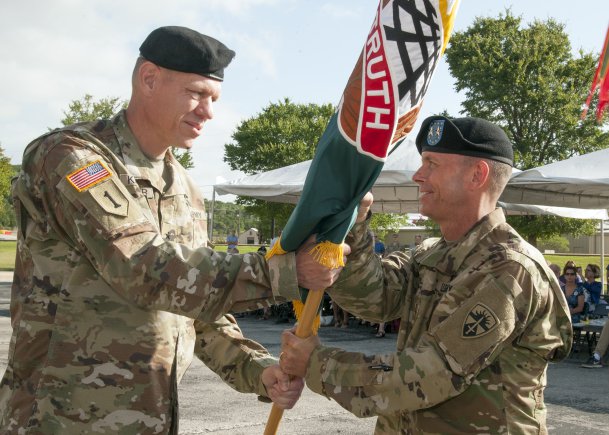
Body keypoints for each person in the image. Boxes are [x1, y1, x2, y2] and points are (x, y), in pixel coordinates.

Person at [0, 26, 345, 433]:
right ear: (149, 79)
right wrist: (283, 272)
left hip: (150, 419)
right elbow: (142, 266)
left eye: (213, 99)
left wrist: (257, 369)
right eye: (196, 93)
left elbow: (195, 308)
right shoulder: (73, 157)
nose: (208, 111)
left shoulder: (184, 187)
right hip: (60, 419)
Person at [280, 116, 572, 433]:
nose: (419, 176)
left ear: (477, 175)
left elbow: (432, 375)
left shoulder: (510, 268)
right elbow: (372, 299)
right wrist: (353, 229)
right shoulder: (432, 253)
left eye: (432, 164)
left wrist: (317, 363)